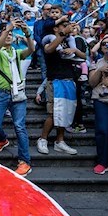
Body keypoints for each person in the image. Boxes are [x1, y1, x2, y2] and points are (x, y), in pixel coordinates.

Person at [0, 18, 35, 176]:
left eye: (10, 34)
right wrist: (8, 28)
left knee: (19, 126)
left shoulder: (16, 53)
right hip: (1, 93)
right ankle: (2, 139)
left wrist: (27, 33)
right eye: (5, 34)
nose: (8, 35)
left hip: (17, 93)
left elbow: (31, 49)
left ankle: (25, 162)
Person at [37, 20, 79, 156]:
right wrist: (62, 34)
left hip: (69, 79)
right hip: (54, 80)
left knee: (65, 112)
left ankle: (60, 141)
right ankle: (42, 139)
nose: (68, 27)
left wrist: (75, 49)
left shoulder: (70, 40)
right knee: (53, 113)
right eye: (64, 25)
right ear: (56, 28)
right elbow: (48, 49)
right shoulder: (49, 39)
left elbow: (83, 57)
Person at [88, 38, 108, 175]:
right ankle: (103, 161)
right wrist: (101, 70)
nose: (107, 45)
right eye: (104, 43)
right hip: (102, 100)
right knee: (103, 130)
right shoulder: (97, 62)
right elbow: (92, 83)